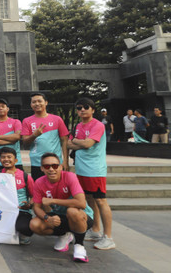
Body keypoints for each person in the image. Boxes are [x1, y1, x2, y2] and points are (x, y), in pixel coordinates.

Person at [68, 98, 115, 250]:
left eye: (86, 107)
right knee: (89, 199)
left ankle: (108, 237)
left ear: (93, 110)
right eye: (79, 107)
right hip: (81, 168)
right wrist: (80, 141)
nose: (82, 110)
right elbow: (68, 144)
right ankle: (95, 229)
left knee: (101, 200)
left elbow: (88, 143)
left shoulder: (98, 125)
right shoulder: (77, 126)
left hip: (95, 169)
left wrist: (77, 141)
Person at [29, 152, 94, 263]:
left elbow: (81, 203)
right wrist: (47, 218)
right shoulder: (39, 182)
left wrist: (53, 200)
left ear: (60, 166)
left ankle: (79, 245)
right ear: (42, 169)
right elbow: (37, 208)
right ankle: (64, 234)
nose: (51, 169)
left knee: (72, 211)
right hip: (59, 217)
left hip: (82, 216)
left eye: (54, 166)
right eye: (47, 166)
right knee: (34, 225)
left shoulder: (69, 177)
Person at [21, 93, 69, 180]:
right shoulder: (26, 121)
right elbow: (25, 142)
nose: (37, 104)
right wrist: (34, 135)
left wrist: (65, 161)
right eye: (34, 102)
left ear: (46, 102)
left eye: (40, 101)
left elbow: (64, 140)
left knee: (57, 190)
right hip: (37, 163)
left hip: (55, 162)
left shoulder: (57, 119)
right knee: (39, 189)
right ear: (31, 104)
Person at [0, 147, 34, 244]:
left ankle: (22, 234)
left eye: (9, 157)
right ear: (0, 160)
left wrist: (29, 205)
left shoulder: (25, 176)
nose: (6, 159)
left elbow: (34, 196)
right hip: (1, 210)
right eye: (3, 157)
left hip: (21, 210)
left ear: (16, 160)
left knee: (24, 227)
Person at [0, 99, 22, 171]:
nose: (0, 108)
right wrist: (11, 141)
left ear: (7, 109)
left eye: (3, 106)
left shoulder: (16, 122)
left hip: (15, 161)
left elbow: (17, 136)